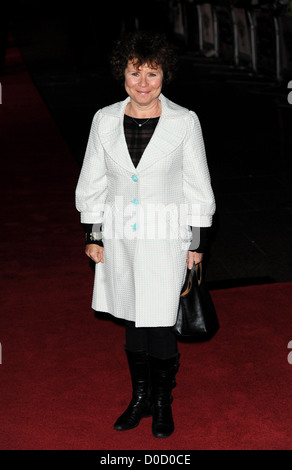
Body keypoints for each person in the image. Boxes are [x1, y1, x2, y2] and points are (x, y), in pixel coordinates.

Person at [75, 30, 216, 438]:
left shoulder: (185, 121)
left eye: (151, 74)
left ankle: (161, 401)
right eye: (135, 73)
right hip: (119, 236)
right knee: (132, 319)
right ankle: (139, 397)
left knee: (159, 320)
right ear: (122, 73)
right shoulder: (103, 119)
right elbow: (93, 182)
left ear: (164, 76)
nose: (142, 83)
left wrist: (196, 244)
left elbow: (198, 185)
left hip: (166, 236)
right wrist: (94, 234)